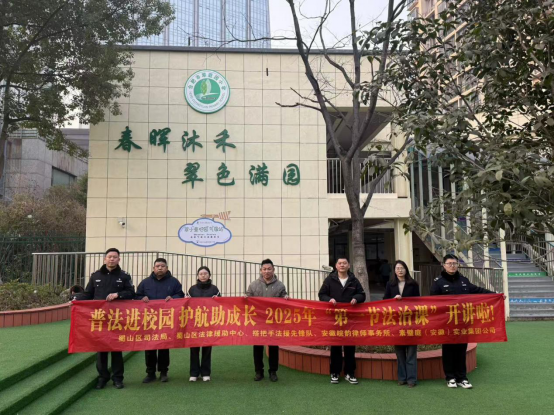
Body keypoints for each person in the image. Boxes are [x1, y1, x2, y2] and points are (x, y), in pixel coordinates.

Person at [431, 254, 495, 389]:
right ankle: (450, 378)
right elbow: (432, 303)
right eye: (449, 263)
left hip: (462, 323)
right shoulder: (438, 282)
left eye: (454, 263)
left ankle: (462, 378)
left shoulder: (464, 281)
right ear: (444, 265)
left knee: (461, 350)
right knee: (448, 351)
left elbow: (477, 290)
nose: (452, 266)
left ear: (458, 265)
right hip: (447, 324)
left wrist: (495, 295)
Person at [76, 248, 135, 390]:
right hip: (100, 318)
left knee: (116, 348)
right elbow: (88, 294)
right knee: (101, 349)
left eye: (115, 257)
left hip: (117, 318)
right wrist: (75, 300)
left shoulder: (124, 276)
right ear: (105, 259)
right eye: (109, 257)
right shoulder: (96, 276)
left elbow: (131, 293)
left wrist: (118, 295)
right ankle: (103, 377)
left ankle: (118, 378)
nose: (112, 259)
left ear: (119, 259)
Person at [136, 258, 185, 384]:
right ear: (153, 268)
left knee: (164, 346)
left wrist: (173, 298)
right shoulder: (145, 282)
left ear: (166, 268)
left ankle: (164, 372)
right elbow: (136, 296)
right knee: (149, 346)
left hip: (166, 319)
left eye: (162, 266)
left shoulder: (174, 282)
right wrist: (142, 297)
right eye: (157, 266)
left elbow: (181, 295)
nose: (160, 268)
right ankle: (150, 373)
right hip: (149, 320)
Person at [318, 258, 366, 385]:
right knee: (335, 346)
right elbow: (321, 294)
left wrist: (356, 298)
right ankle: (335, 372)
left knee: (350, 346)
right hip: (334, 319)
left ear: (349, 265)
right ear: (336, 266)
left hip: (350, 319)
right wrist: (329, 299)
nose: (342, 265)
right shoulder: (330, 280)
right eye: (340, 263)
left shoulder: (353, 280)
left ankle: (350, 373)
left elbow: (362, 294)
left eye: (344, 263)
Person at [245, 259, 288, 382]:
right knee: (257, 347)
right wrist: (245, 298)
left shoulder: (280, 285)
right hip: (258, 321)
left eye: (269, 269)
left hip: (273, 322)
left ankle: (273, 371)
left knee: (273, 346)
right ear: (261, 270)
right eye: (264, 269)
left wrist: (286, 297)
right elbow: (248, 299)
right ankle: (259, 371)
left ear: (273, 270)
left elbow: (284, 299)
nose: (267, 271)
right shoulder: (253, 285)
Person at [384, 260, 421, 388]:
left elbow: (418, 302)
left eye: (402, 268)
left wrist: (405, 300)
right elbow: (385, 300)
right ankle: (402, 378)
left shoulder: (413, 284)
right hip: (396, 322)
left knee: (411, 353)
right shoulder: (390, 284)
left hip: (411, 322)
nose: (400, 270)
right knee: (399, 353)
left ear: (406, 270)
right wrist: (393, 300)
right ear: (394, 271)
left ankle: (412, 379)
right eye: (397, 268)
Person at [188, 266, 221, 382]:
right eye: (201, 274)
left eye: (205, 273)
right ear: (198, 276)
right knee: (194, 348)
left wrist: (218, 299)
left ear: (209, 275)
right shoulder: (192, 289)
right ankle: (194, 373)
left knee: (207, 348)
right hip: (195, 323)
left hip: (209, 323)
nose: (203, 275)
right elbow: (186, 304)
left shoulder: (214, 289)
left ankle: (206, 373)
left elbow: (221, 304)